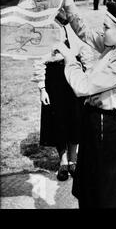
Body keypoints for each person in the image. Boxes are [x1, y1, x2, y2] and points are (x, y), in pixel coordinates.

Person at [54, 0, 116, 208]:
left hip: (104, 127)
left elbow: (83, 87)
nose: (102, 31)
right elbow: (84, 32)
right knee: (91, 186)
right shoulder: (114, 46)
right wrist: (67, 1)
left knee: (105, 193)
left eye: (106, 27)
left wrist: (69, 59)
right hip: (95, 123)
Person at [32, 21, 93, 182]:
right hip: (55, 77)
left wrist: (88, 78)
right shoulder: (45, 26)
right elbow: (39, 59)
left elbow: (85, 50)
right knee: (58, 120)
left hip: (75, 74)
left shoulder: (74, 25)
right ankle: (63, 162)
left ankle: (73, 160)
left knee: (76, 118)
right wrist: (42, 88)